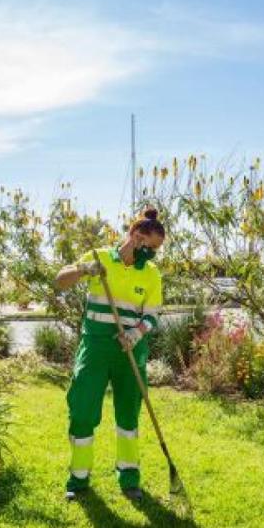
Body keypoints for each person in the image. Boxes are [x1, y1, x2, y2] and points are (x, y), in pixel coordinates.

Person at [54, 208, 165, 501]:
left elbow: (152, 315)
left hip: (130, 350)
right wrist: (85, 270)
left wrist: (136, 334)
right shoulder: (101, 257)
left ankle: (129, 478)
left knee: (128, 415)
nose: (152, 254)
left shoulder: (151, 274)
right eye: (151, 247)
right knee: (82, 409)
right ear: (136, 235)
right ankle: (78, 478)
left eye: (156, 250)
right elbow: (60, 281)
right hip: (95, 348)